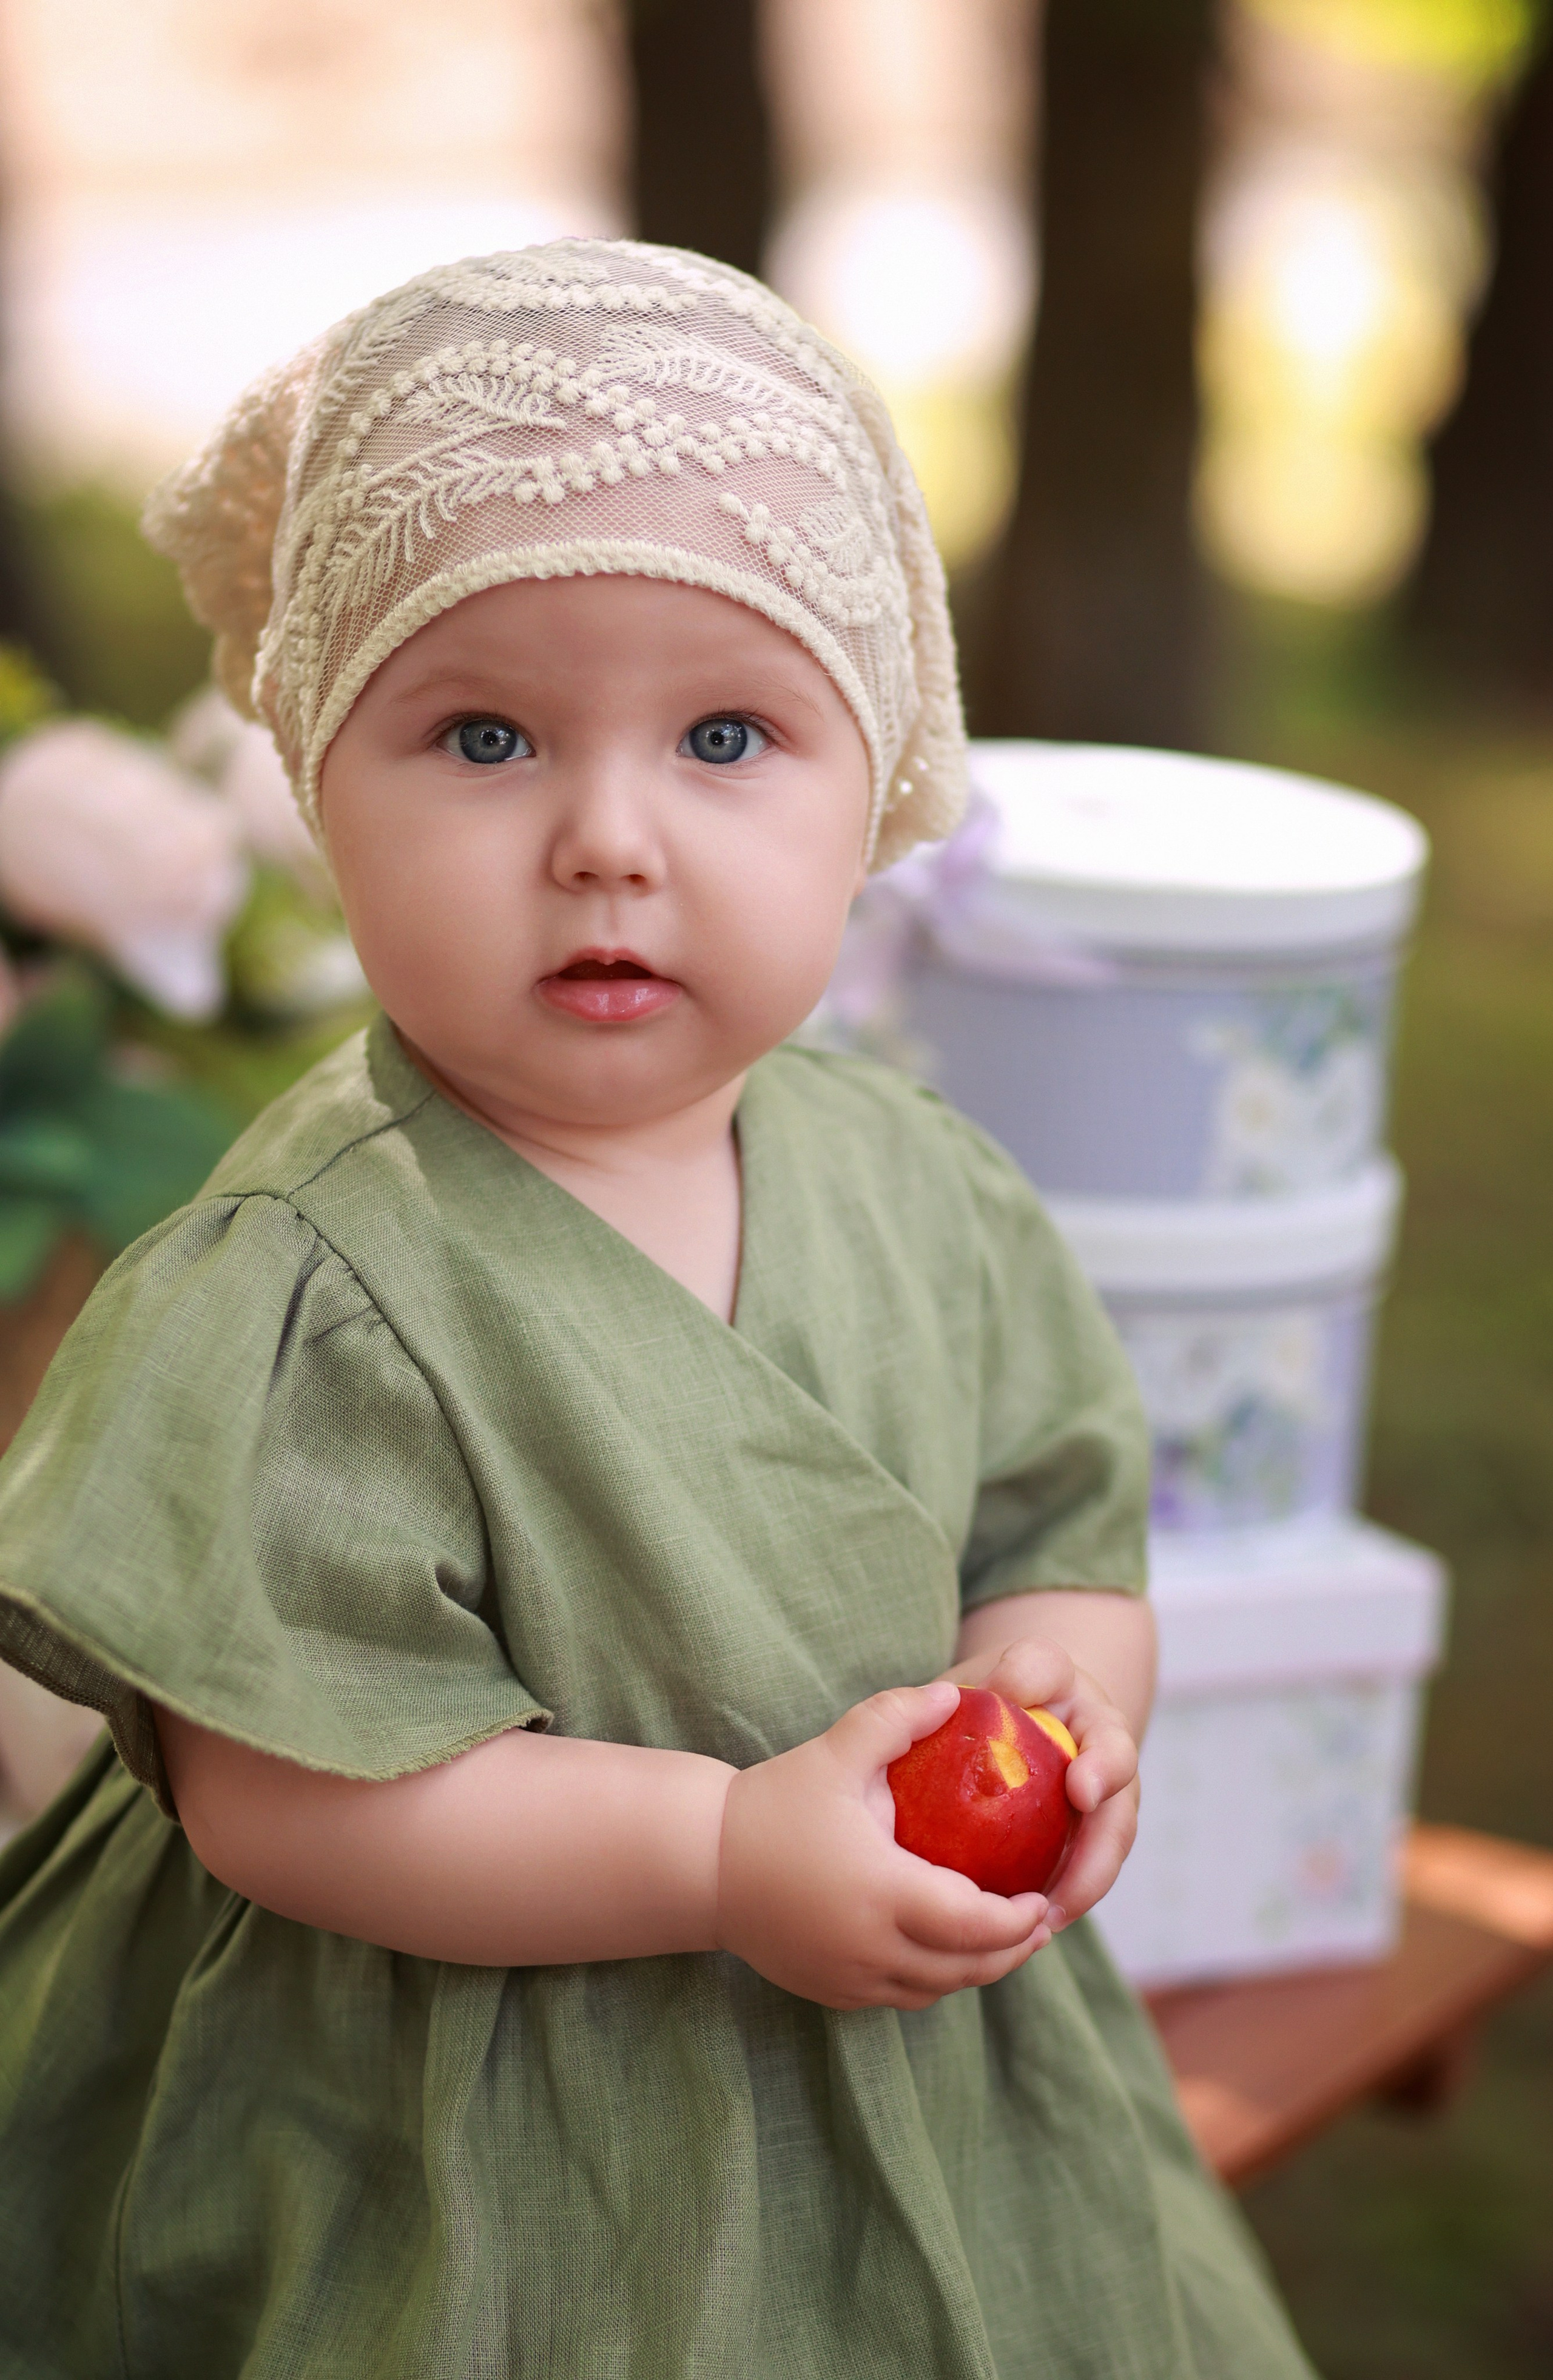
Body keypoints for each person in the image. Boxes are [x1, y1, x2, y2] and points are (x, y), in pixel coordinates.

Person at [0, 240, 1315, 2378]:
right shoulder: (313, 1281)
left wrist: (1063, 1707)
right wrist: (721, 1848)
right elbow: (291, 1788)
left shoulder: (926, 1187)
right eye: (486, 733)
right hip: (442, 2119)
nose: (609, 838)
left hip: (919, 2046)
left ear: (869, 775)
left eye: (727, 733)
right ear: (323, 783)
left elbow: (1058, 1532)